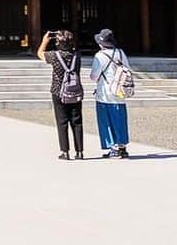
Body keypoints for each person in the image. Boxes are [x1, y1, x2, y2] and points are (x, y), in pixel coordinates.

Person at [37, 29, 84, 160]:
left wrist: (45, 41)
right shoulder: (77, 55)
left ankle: (65, 151)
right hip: (75, 91)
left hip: (58, 91)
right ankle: (79, 152)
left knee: (62, 122)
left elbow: (40, 53)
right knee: (77, 122)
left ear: (58, 43)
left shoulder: (54, 55)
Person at [90, 28, 131, 158]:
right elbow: (128, 69)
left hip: (105, 92)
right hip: (119, 91)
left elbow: (94, 76)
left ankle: (113, 147)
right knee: (120, 119)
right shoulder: (120, 53)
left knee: (106, 121)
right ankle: (122, 146)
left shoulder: (100, 56)